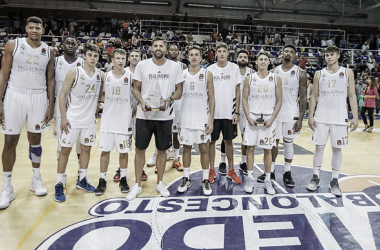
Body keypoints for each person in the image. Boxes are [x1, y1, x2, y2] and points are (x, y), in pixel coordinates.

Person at [0, 17, 55, 209]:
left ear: (42, 29)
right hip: (15, 95)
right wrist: (0, 101)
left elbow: (50, 80)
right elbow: (4, 74)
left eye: (37, 28)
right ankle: (7, 187)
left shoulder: (49, 51)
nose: (34, 30)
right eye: (31, 27)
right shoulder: (13, 45)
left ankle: (36, 179)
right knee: (9, 141)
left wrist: (51, 105)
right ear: (25, 29)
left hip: (38, 97)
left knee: (36, 140)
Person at [127, 36, 184, 201]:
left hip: (165, 116)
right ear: (151, 48)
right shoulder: (142, 65)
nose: (158, 48)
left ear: (165, 49)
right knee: (140, 150)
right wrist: (142, 101)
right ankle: (137, 184)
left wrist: (170, 99)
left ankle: (160, 182)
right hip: (144, 115)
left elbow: (179, 90)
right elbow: (135, 89)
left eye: (161, 46)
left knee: (162, 150)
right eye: (156, 45)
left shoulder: (174, 67)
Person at [54, 44, 103, 202]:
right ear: (84, 56)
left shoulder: (100, 75)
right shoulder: (75, 72)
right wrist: (63, 117)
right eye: (90, 55)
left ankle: (82, 179)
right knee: (65, 151)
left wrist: (99, 103)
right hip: (72, 120)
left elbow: (102, 92)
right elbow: (62, 95)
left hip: (88, 121)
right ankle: (59, 182)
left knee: (86, 150)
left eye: (95, 56)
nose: (93, 58)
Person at [307, 45, 358, 197]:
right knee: (319, 148)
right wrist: (310, 116)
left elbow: (352, 95)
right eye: (326, 55)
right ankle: (315, 177)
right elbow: (314, 96)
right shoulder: (319, 74)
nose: (328, 57)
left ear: (338, 55)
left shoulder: (347, 72)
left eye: (331, 54)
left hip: (340, 118)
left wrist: (355, 117)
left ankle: (334, 180)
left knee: (337, 149)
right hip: (321, 117)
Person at [263, 45, 307, 187]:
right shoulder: (273, 72)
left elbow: (304, 97)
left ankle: (287, 172)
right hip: (275, 113)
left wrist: (301, 118)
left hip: (291, 113)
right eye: (286, 51)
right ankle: (272, 171)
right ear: (282, 54)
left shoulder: (300, 72)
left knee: (288, 142)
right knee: (273, 143)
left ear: (294, 56)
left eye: (291, 52)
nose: (288, 54)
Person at [242, 51, 282, 195]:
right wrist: (248, 117)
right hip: (252, 118)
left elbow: (279, 101)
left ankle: (267, 179)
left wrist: (272, 119)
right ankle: (250, 178)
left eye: (266, 59)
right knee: (250, 149)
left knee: (268, 150)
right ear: (256, 62)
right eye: (261, 59)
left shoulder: (276, 79)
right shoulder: (249, 78)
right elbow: (244, 99)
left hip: (268, 119)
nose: (263, 62)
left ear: (269, 62)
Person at [177, 45, 215, 196]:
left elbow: (212, 98)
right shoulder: (182, 74)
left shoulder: (207, 74)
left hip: (201, 118)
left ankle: (205, 179)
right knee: (186, 148)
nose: (193, 57)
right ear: (188, 56)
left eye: (196, 55)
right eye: (191, 54)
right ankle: (186, 178)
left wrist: (211, 120)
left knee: (204, 148)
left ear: (201, 57)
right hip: (185, 117)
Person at [94, 48, 132, 195]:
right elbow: (99, 94)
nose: (121, 61)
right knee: (105, 151)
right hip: (108, 120)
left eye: (123, 58)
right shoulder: (105, 76)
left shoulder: (131, 76)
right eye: (118, 58)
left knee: (124, 152)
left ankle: (123, 178)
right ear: (112, 60)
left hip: (124, 121)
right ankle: (102, 180)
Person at [146, 44, 187, 172]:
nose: (174, 51)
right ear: (167, 51)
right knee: (161, 130)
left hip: (178, 103)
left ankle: (176, 158)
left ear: (178, 52)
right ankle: (156, 156)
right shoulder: (162, 64)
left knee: (176, 132)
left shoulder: (183, 66)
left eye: (176, 49)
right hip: (162, 102)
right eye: (171, 49)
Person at [207, 42, 241, 184]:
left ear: (228, 53)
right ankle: (211, 170)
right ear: (216, 53)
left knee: (229, 142)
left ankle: (231, 170)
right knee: (211, 142)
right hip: (213, 114)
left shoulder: (234, 68)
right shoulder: (209, 69)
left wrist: (237, 112)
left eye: (224, 51)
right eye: (219, 51)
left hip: (229, 112)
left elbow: (238, 91)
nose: (221, 53)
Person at [112, 49, 146, 182]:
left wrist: (137, 105)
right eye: (131, 55)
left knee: (140, 143)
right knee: (123, 143)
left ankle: (140, 169)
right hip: (124, 112)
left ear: (140, 57)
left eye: (136, 55)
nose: (134, 57)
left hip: (139, 111)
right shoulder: (123, 72)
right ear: (128, 58)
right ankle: (121, 169)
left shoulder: (143, 71)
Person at [220, 49, 254, 176]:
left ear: (248, 59)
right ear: (237, 59)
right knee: (227, 137)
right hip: (231, 108)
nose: (243, 59)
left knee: (245, 137)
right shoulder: (231, 70)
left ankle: (243, 161)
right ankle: (223, 161)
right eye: (241, 57)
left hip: (246, 110)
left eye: (245, 57)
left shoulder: (252, 73)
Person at [53, 36, 84, 176]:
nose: (70, 45)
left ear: (77, 46)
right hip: (61, 109)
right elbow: (51, 83)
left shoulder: (83, 63)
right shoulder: (56, 62)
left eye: (73, 43)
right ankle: (61, 175)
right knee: (62, 143)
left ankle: (80, 173)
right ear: (63, 45)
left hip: (80, 108)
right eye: (68, 43)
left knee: (80, 144)